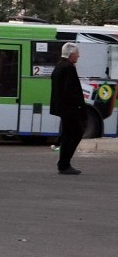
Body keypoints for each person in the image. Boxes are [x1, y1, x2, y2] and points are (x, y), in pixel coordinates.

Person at [50, 42, 86, 175]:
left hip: (65, 109)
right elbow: (71, 91)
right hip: (70, 110)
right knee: (74, 134)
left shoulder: (60, 66)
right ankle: (64, 164)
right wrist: (79, 107)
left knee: (68, 135)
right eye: (77, 53)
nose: (78, 56)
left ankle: (63, 163)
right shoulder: (68, 68)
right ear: (71, 54)